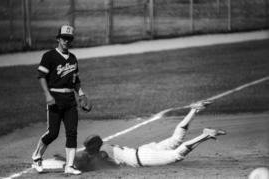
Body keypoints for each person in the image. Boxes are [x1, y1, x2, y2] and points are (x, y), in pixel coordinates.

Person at [44, 100, 226, 171]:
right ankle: (194, 111)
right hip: (145, 149)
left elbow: (86, 161)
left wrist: (69, 161)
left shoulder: (102, 153)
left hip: (144, 156)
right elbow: (85, 154)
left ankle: (205, 135)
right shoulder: (105, 147)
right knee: (174, 140)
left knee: (176, 155)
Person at [31, 25, 91, 175]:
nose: (66, 41)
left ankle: (69, 166)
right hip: (55, 98)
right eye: (64, 38)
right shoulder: (49, 56)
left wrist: (81, 94)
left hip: (70, 99)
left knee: (72, 132)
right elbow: (41, 76)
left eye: (69, 39)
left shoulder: (73, 58)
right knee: (53, 133)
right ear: (58, 39)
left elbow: (75, 80)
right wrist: (47, 95)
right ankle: (37, 156)